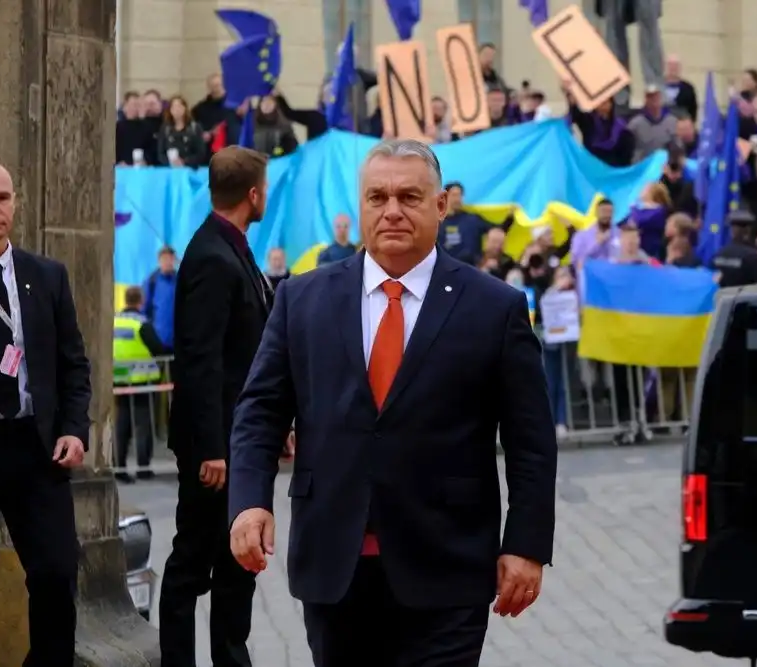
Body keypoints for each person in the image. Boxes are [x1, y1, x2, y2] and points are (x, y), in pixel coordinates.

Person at [227, 139, 558, 667]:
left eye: (409, 196)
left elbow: (531, 441)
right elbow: (260, 410)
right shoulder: (301, 299)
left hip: (447, 567)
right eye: (377, 197)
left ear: (441, 205)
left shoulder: (495, 308)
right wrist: (249, 501)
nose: (393, 211)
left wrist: (526, 544)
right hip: (335, 567)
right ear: (360, 206)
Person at [0, 159, 91, 666]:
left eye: (3, 197)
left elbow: (73, 364)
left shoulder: (47, 276)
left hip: (36, 447)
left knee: (58, 572)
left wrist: (75, 430)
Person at [158, 146, 276, 667]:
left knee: (237, 562)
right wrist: (211, 447)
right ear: (253, 194)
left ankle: (232, 657)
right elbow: (199, 360)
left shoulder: (234, 249)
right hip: (216, 448)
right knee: (192, 562)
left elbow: (247, 354)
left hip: (242, 440)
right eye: (265, 189)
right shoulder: (210, 254)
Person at [113, 285, 167, 483]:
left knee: (122, 425)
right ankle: (143, 467)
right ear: (140, 301)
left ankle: (119, 466)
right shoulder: (141, 324)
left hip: (119, 379)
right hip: (142, 380)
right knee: (143, 425)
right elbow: (158, 349)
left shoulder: (115, 321)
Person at [711, 211, 757, 287]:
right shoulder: (752, 257)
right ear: (748, 230)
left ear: (731, 232)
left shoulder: (719, 254)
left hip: (721, 297)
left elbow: (712, 280)